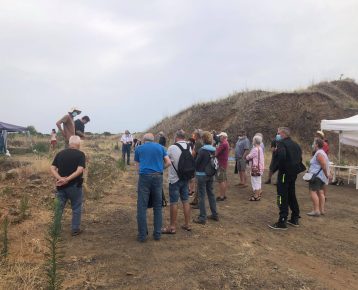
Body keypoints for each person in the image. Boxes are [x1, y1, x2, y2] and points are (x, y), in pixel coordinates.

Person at [134, 133, 171, 242]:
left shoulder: (139, 148)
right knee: (158, 206)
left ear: (144, 140)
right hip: (158, 177)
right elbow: (168, 162)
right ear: (153, 139)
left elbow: (137, 166)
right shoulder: (161, 147)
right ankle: (157, 234)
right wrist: (160, 168)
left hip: (144, 177)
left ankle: (142, 235)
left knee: (142, 206)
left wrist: (142, 173)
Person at [268, 127, 304, 230]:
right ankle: (295, 218)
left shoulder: (281, 144)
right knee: (291, 194)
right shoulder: (296, 145)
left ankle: (282, 221)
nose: (277, 135)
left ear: (283, 134)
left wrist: (277, 165)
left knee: (281, 195)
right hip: (293, 174)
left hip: (284, 174)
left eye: (278, 133)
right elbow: (300, 159)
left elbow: (282, 157)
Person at [50, 135, 86, 236]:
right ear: (78, 144)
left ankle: (56, 229)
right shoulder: (80, 154)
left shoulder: (60, 153)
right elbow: (80, 170)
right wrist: (67, 179)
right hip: (75, 186)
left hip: (60, 186)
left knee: (59, 208)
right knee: (76, 207)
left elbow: (52, 168)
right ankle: (75, 229)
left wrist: (60, 178)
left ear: (70, 143)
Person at [162, 129, 192, 234]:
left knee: (174, 202)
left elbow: (166, 159)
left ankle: (172, 226)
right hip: (186, 178)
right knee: (186, 201)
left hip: (174, 178)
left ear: (176, 137)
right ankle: (187, 224)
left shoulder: (172, 147)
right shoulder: (189, 146)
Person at [193, 131, 219, 224]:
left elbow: (197, 163)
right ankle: (215, 214)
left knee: (202, 196)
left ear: (203, 139)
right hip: (210, 174)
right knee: (211, 194)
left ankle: (202, 217)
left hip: (201, 175)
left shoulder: (202, 150)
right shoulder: (214, 150)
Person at [307, 138, 330, 217]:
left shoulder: (319, 153)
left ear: (317, 144)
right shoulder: (322, 152)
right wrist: (326, 175)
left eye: (314, 143)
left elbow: (323, 165)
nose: (313, 144)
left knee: (313, 192)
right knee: (321, 192)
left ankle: (316, 210)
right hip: (321, 177)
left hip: (316, 176)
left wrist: (327, 175)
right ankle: (321, 210)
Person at [246, 134, 265, 201]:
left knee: (255, 181)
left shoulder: (255, 149)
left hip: (255, 168)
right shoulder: (260, 148)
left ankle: (256, 196)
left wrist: (247, 156)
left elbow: (248, 157)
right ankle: (258, 194)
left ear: (255, 141)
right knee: (258, 181)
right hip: (260, 168)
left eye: (253, 140)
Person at [190, 129, 203, 207]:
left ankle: (197, 202)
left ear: (197, 135)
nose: (193, 135)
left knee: (198, 183)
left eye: (194, 134)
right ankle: (195, 200)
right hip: (201, 164)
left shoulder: (198, 143)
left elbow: (193, 154)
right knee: (198, 183)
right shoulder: (201, 141)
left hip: (198, 165)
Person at [215, 132, 230, 201]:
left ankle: (222, 196)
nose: (219, 138)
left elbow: (216, 153)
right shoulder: (226, 143)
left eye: (220, 137)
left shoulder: (223, 144)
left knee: (221, 180)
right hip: (224, 164)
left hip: (221, 164)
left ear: (223, 137)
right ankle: (223, 195)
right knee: (224, 180)